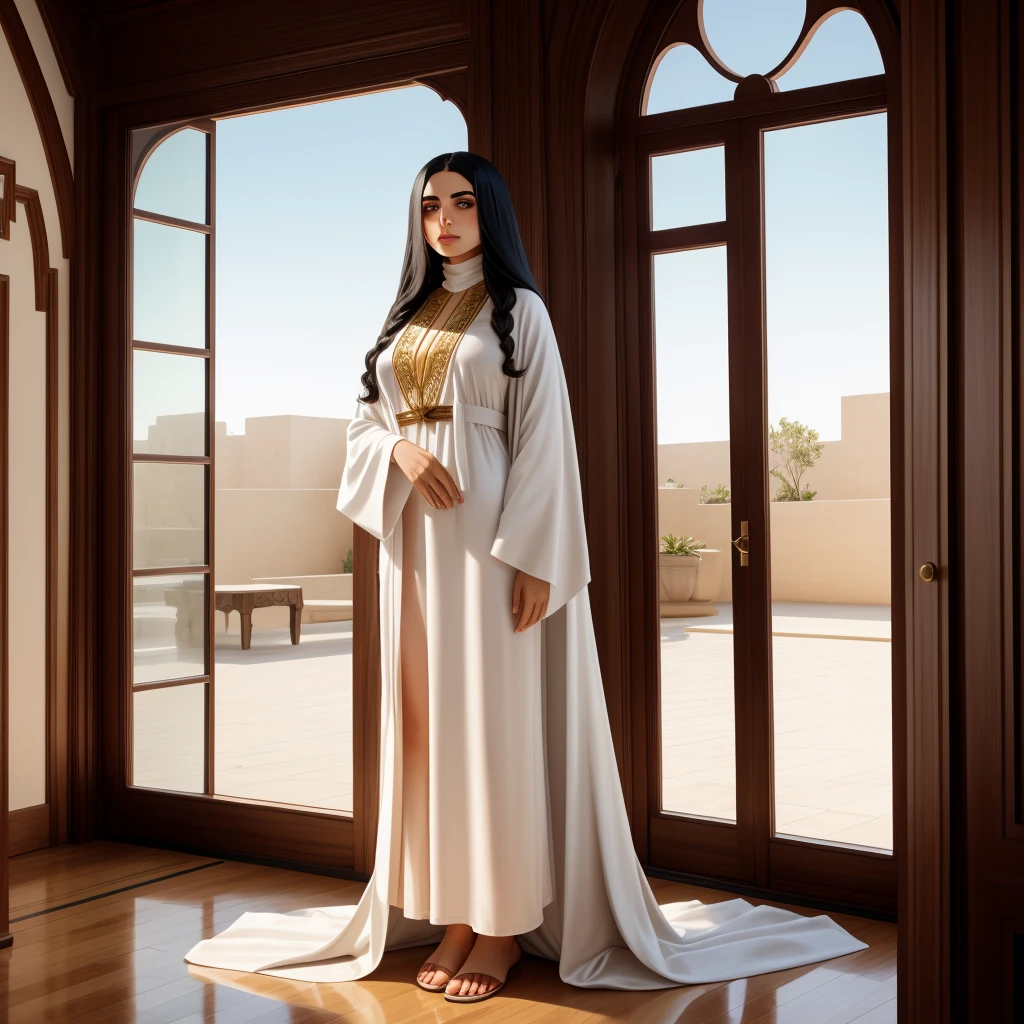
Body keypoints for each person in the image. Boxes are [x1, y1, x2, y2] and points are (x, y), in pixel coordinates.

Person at [183, 151, 868, 1002]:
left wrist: (537, 558)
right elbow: (366, 425)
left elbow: (547, 440)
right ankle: (454, 914)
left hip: (490, 541)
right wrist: (397, 446)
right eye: (430, 205)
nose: (444, 219)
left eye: (462, 203)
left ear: (489, 214)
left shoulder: (522, 313)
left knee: (495, 730)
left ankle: (502, 928)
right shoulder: (406, 318)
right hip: (413, 546)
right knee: (429, 732)